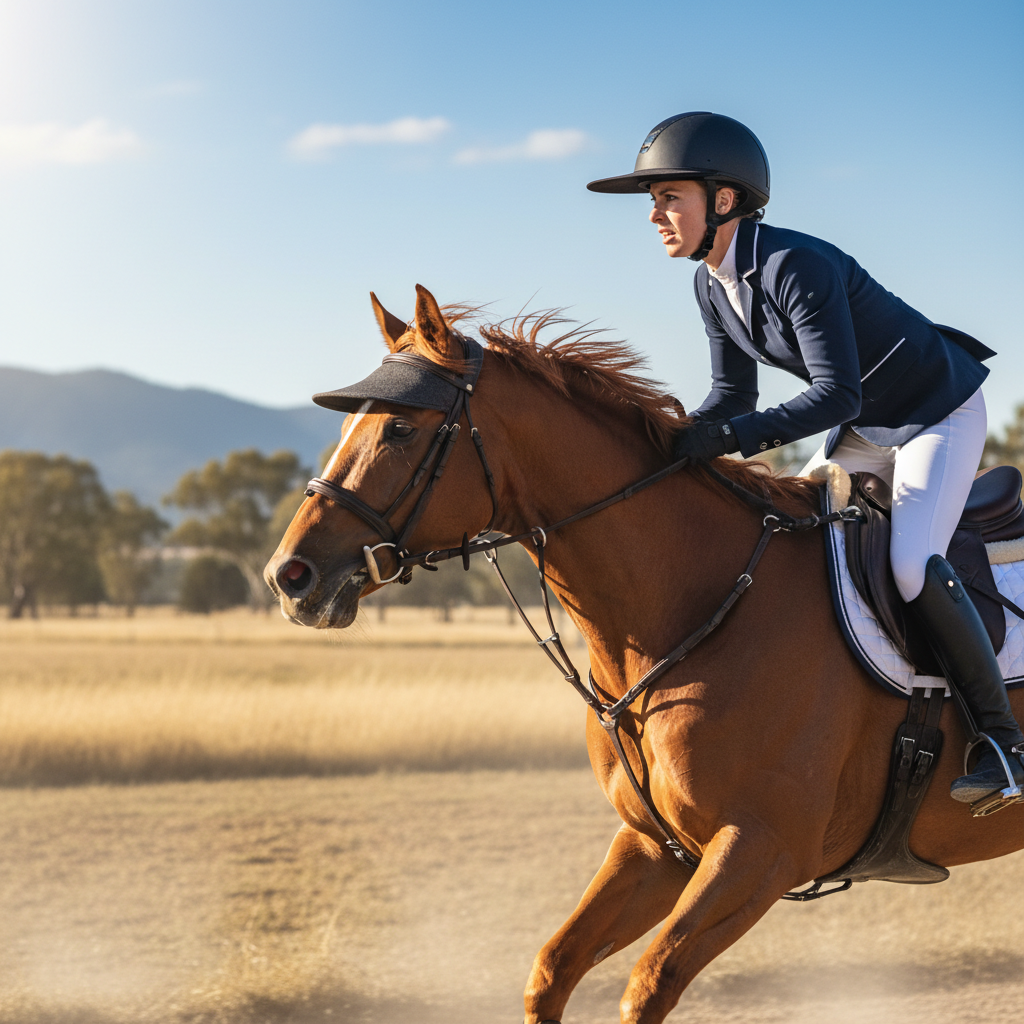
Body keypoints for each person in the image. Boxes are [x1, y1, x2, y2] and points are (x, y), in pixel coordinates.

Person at [587, 111, 1023, 810]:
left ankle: (1003, 742)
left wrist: (725, 438)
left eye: (670, 197)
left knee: (911, 564)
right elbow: (732, 394)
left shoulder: (795, 265)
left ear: (723, 199)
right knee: (805, 541)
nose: (655, 215)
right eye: (654, 200)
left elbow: (833, 393)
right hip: (865, 424)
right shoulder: (710, 284)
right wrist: (671, 442)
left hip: (935, 412)